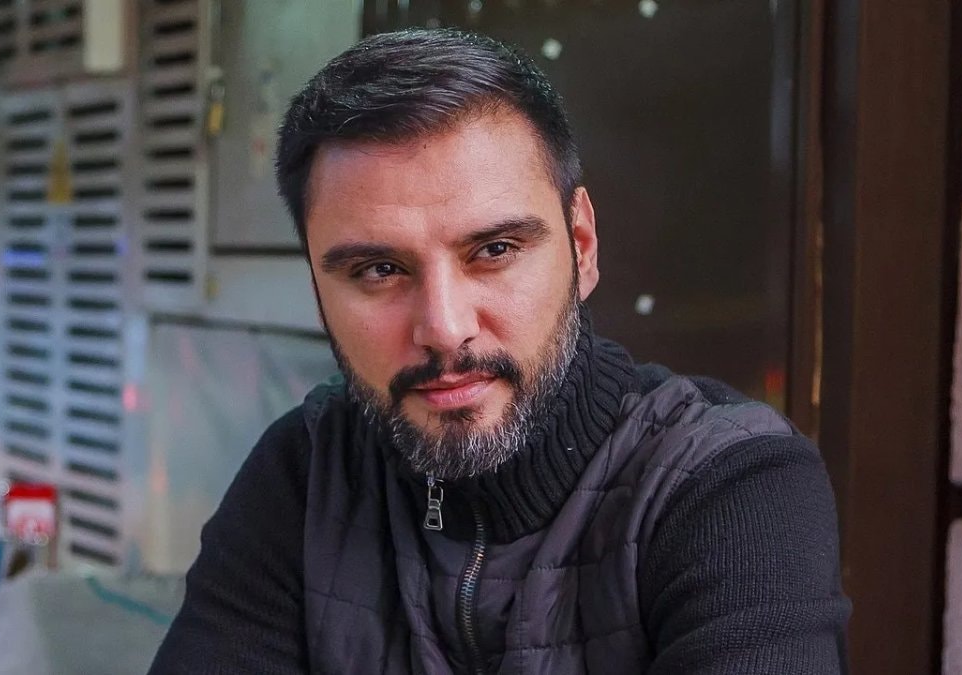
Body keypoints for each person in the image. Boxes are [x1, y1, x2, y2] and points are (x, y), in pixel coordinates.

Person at [150, 28, 849, 674]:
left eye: (494, 250)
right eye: (379, 270)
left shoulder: (728, 485)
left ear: (581, 246)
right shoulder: (308, 476)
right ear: (316, 287)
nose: (444, 327)